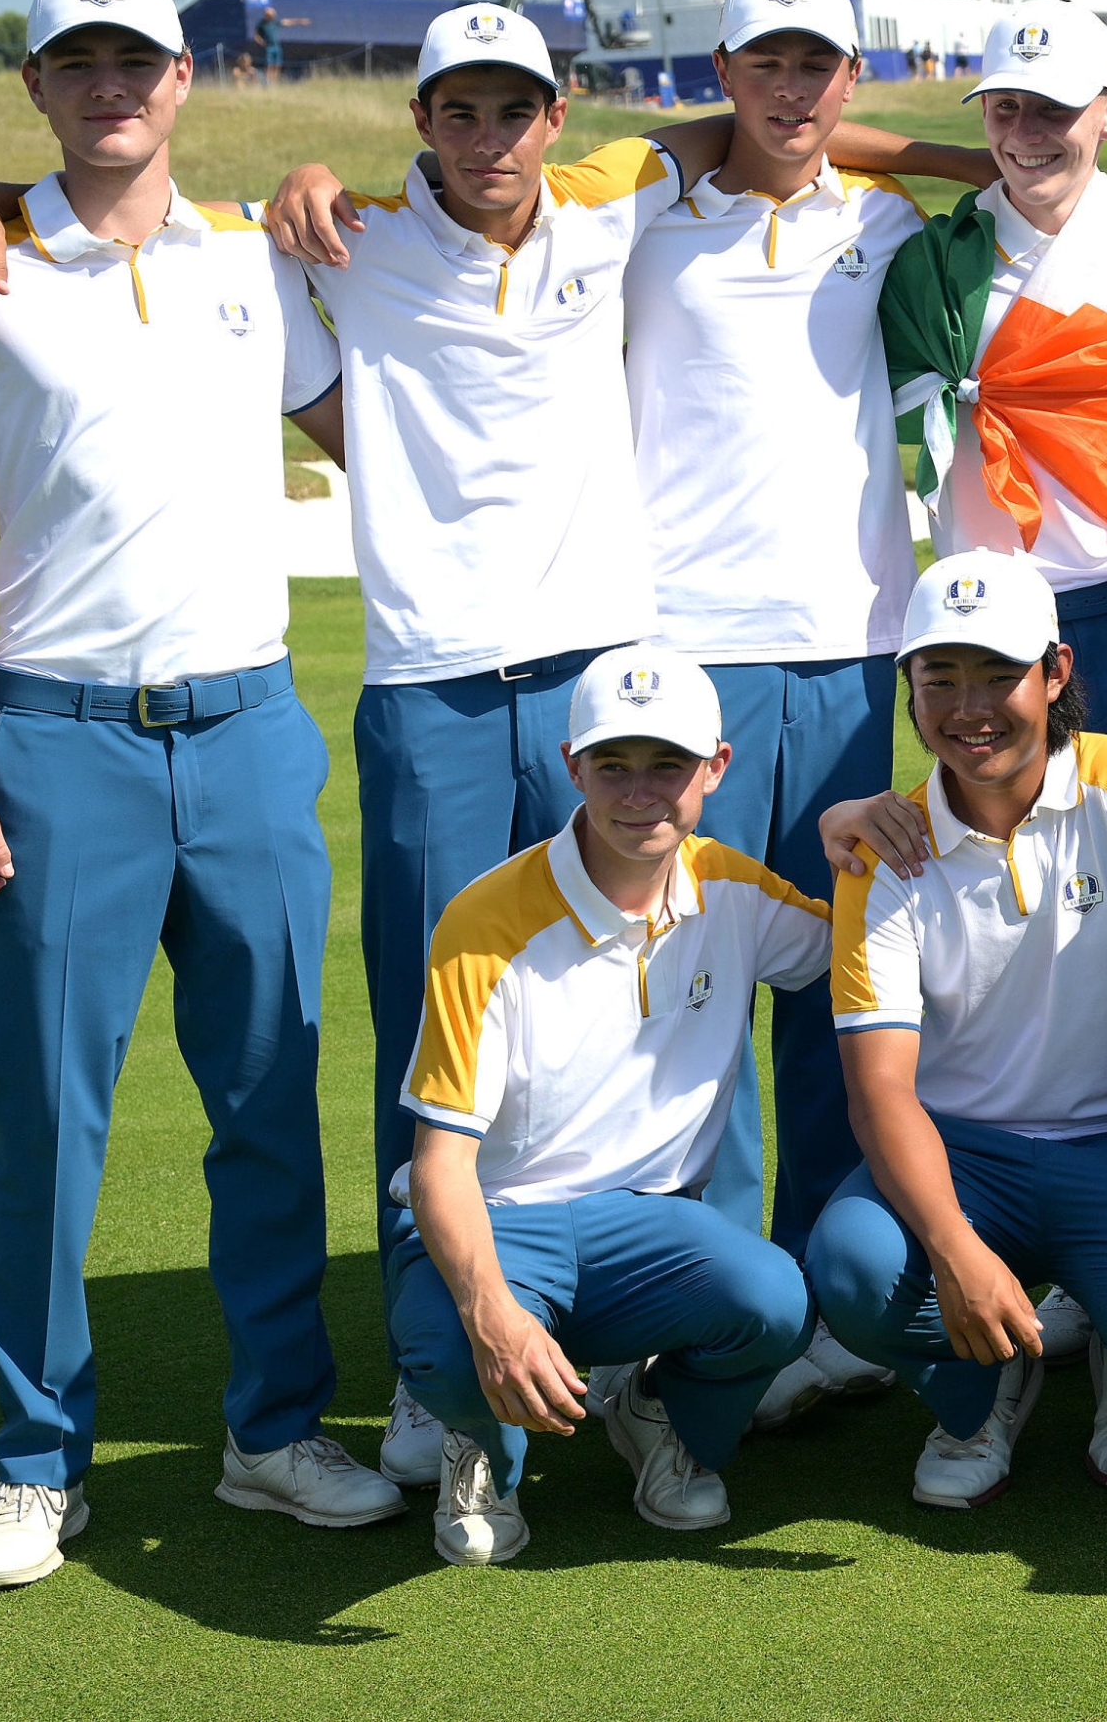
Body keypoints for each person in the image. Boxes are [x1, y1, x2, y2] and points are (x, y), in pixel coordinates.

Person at [0, 0, 399, 1592]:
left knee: (267, 1106)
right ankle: (38, 1463)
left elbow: (377, 423)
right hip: (56, 744)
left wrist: (335, 186)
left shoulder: (258, 256)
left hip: (248, 731)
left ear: (185, 80)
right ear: (38, 86)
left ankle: (272, 1435)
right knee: (44, 1117)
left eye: (138, 62)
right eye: (76, 64)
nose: (111, 87)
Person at [805, 554, 1107, 1508]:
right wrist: (956, 1251)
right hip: (965, 1158)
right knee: (854, 1269)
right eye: (941, 678)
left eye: (997, 673)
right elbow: (881, 1089)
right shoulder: (881, 849)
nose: (970, 706)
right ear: (909, 692)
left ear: (1055, 673)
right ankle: (982, 1385)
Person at [620, 0, 918, 1417]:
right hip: (693, 660)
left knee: (834, 997)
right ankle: (707, 1308)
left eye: (818, 66)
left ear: (849, 79)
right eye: (765, 65)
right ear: (720, 74)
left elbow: (1017, 173)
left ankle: (823, 1313)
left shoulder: (893, 218)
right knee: (695, 1004)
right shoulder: (641, 213)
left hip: (859, 656)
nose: (792, 91)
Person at [390, 648, 825, 1565]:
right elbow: (440, 1169)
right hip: (503, 1220)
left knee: (775, 1300)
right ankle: (483, 1449)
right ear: (571, 765)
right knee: (444, 1347)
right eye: (613, 766)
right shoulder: (485, 919)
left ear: (716, 766)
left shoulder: (737, 891)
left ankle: (657, 1412)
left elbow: (864, 937)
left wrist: (872, 822)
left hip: (651, 1230)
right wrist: (495, 1317)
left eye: (667, 764)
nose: (640, 793)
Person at [879, 0, 1107, 1140]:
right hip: (989, 634)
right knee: (999, 902)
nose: (1029, 132)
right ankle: (1006, 1164)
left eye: (1058, 111)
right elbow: (803, 134)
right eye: (1007, 109)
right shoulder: (931, 253)